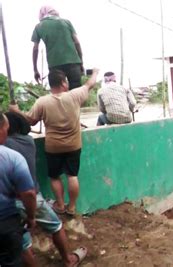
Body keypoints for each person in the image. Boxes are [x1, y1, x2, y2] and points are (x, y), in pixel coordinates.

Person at [10, 68, 99, 216]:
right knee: (72, 176)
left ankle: (60, 205)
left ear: (51, 85)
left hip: (53, 147)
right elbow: (90, 84)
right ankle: (71, 207)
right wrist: (95, 72)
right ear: (64, 83)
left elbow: (30, 121)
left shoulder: (42, 102)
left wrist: (16, 111)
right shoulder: (75, 95)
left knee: (55, 176)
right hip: (73, 145)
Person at [4, 112, 87, 267]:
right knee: (56, 226)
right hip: (31, 198)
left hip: (8, 204)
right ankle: (68, 260)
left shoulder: (5, 146)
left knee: (23, 242)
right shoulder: (28, 141)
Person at [0, 112, 37, 267]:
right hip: (5, 223)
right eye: (6, 129)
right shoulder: (12, 157)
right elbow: (28, 193)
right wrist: (31, 217)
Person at [32, 6, 84, 89]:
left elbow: (35, 49)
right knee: (76, 93)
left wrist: (35, 69)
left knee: (58, 93)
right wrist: (81, 62)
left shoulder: (39, 26)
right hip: (73, 62)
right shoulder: (66, 22)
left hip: (55, 65)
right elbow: (77, 42)